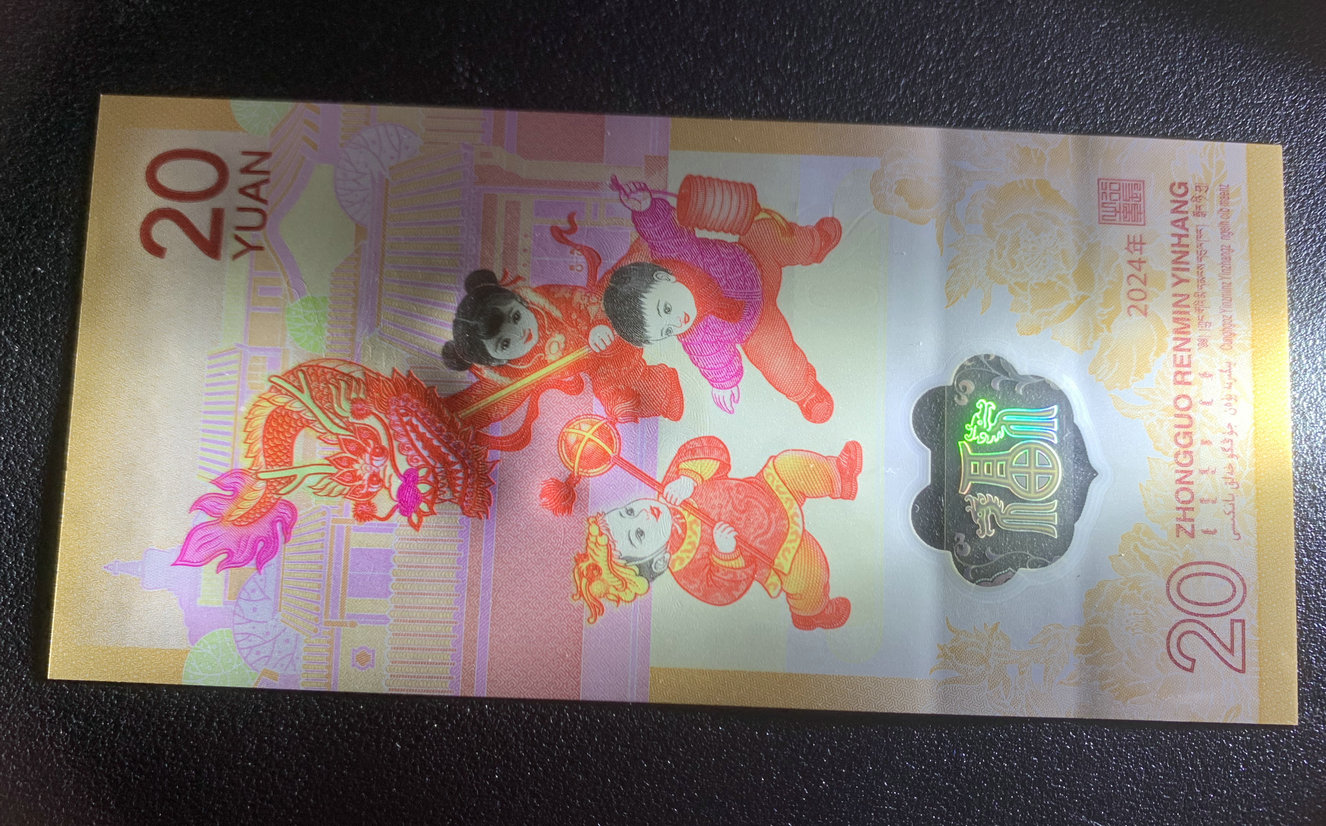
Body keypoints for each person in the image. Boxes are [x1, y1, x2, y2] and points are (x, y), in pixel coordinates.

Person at [601, 177, 841, 423]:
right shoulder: (696, 335)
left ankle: (815, 242)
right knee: (776, 359)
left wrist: (646, 209)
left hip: (754, 259)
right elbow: (714, 359)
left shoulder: (680, 253)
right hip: (755, 324)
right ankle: (806, 392)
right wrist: (724, 383)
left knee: (769, 231)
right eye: (667, 330)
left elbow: (663, 234)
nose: (677, 321)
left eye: (667, 309)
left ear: (663, 277)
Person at [572, 435, 863, 630]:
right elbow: (720, 592)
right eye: (639, 535)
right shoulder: (686, 567)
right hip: (778, 550)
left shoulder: (673, 487)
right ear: (657, 562)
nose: (643, 515)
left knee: (789, 464)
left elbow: (713, 449)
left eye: (628, 512)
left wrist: (689, 477)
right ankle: (811, 613)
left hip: (767, 489)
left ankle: (839, 475)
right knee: (810, 574)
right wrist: (726, 554)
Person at [440, 269, 683, 451]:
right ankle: (639, 405)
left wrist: (597, 325)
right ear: (494, 361)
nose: (520, 333)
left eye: (516, 317)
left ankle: (663, 388)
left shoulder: (546, 301)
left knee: (622, 364)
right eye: (505, 343)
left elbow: (581, 301)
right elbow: (491, 406)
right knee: (611, 395)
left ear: (521, 302)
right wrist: (452, 418)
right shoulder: (509, 375)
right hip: (583, 376)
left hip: (596, 341)